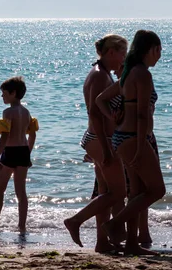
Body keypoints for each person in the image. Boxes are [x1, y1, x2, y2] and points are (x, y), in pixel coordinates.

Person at [95, 29, 166, 255]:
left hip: (121, 138)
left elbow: (101, 100)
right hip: (135, 139)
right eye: (159, 51)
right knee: (157, 190)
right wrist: (140, 146)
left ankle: (133, 244)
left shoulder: (128, 72)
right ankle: (116, 223)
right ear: (152, 49)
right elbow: (142, 115)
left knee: (136, 192)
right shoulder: (143, 74)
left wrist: (113, 117)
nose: (160, 56)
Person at [64, 34, 128, 253]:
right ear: (111, 52)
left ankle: (102, 241)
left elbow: (103, 112)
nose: (123, 58)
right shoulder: (100, 76)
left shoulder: (101, 73)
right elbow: (94, 111)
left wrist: (114, 117)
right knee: (118, 192)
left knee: (105, 192)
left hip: (97, 138)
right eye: (122, 53)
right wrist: (105, 146)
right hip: (101, 139)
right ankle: (75, 221)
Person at [0, 77, 37, 234]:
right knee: (21, 192)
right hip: (22, 152)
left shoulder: (8, 112)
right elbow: (33, 134)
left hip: (10, 152)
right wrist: (28, 152)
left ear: (13, 93)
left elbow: (5, 136)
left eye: (4, 93)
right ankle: (22, 226)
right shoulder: (27, 112)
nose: (2, 96)